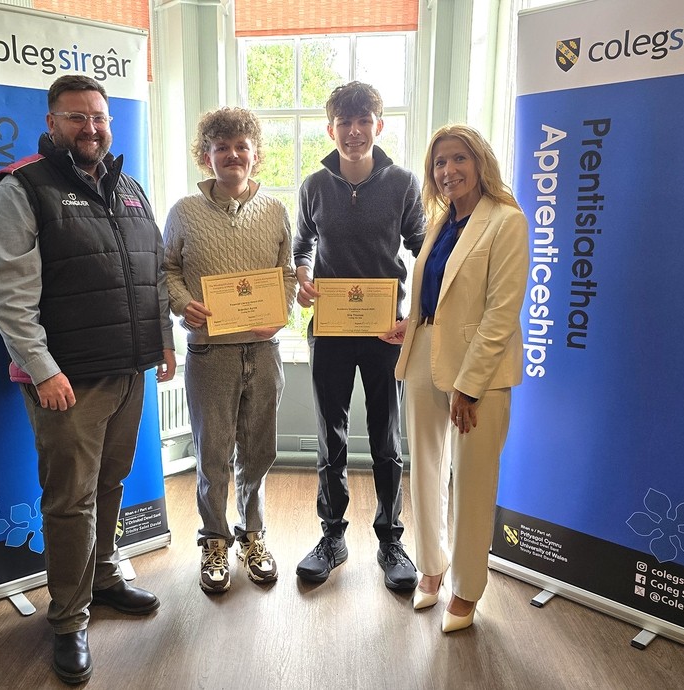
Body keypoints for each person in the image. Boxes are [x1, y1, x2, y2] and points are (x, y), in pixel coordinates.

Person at [0, 74, 176, 684]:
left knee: (111, 482)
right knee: (71, 500)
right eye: (76, 117)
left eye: (99, 117)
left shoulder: (130, 188)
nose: (91, 128)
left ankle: (104, 574)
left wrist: (164, 341)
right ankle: (67, 620)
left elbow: (154, 274)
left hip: (128, 368)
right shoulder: (21, 188)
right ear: (51, 123)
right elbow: (8, 293)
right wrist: (43, 370)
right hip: (67, 380)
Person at [385, 124, 529, 632]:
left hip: (479, 372)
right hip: (424, 353)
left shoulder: (505, 222)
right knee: (424, 467)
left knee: (471, 478)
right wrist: (410, 326)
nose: (448, 171)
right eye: (439, 163)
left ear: (479, 161)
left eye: (458, 159)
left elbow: (500, 313)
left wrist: (469, 386)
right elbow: (438, 298)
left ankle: (467, 590)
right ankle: (431, 567)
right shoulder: (441, 221)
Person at [293, 81, 425, 589]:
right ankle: (332, 535)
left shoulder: (404, 184)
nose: (353, 132)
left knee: (386, 439)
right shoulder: (314, 186)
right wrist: (302, 278)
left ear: (379, 126)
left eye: (363, 121)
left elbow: (422, 248)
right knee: (331, 437)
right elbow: (301, 246)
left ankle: (392, 540)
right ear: (331, 129)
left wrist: (414, 313)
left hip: (385, 333)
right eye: (344, 123)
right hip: (328, 331)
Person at [163, 107, 296, 594]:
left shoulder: (277, 210)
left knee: (259, 451)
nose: (233, 155)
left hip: (263, 351)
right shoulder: (183, 211)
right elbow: (168, 271)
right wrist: (183, 305)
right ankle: (214, 539)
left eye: (242, 147)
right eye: (222, 148)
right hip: (209, 354)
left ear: (255, 155)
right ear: (207, 157)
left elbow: (286, 272)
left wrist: (280, 312)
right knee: (213, 455)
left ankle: (253, 535)